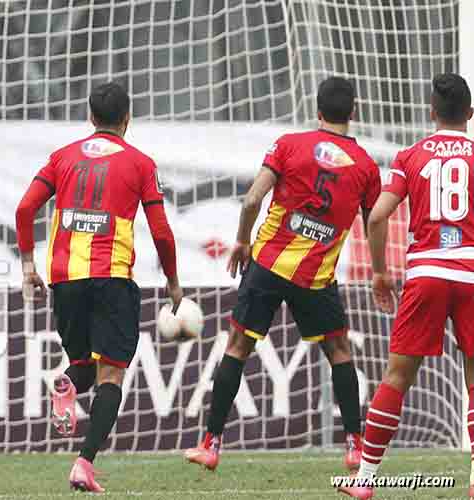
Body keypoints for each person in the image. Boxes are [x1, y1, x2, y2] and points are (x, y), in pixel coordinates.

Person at [185, 77, 379, 473]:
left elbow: (252, 199)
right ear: (354, 112)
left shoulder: (289, 144)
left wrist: (242, 241)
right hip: (316, 276)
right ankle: (355, 446)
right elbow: (374, 221)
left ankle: (211, 444)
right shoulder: (365, 166)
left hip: (268, 265)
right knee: (339, 352)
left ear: (317, 111)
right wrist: (381, 272)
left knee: (237, 347)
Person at [13, 82, 182, 493]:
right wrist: (172, 279)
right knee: (111, 374)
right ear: (127, 118)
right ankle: (84, 463)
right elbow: (161, 231)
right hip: (111, 277)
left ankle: (67, 385)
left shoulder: (62, 157)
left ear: (90, 117)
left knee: (84, 366)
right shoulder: (140, 163)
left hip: (66, 278)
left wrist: (28, 266)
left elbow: (25, 208)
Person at [339, 74, 474, 500]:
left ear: (431, 112)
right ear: (470, 114)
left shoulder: (411, 156)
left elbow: (378, 216)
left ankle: (365, 480)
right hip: (471, 273)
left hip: (426, 274)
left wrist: (380, 272)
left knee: (396, 377)